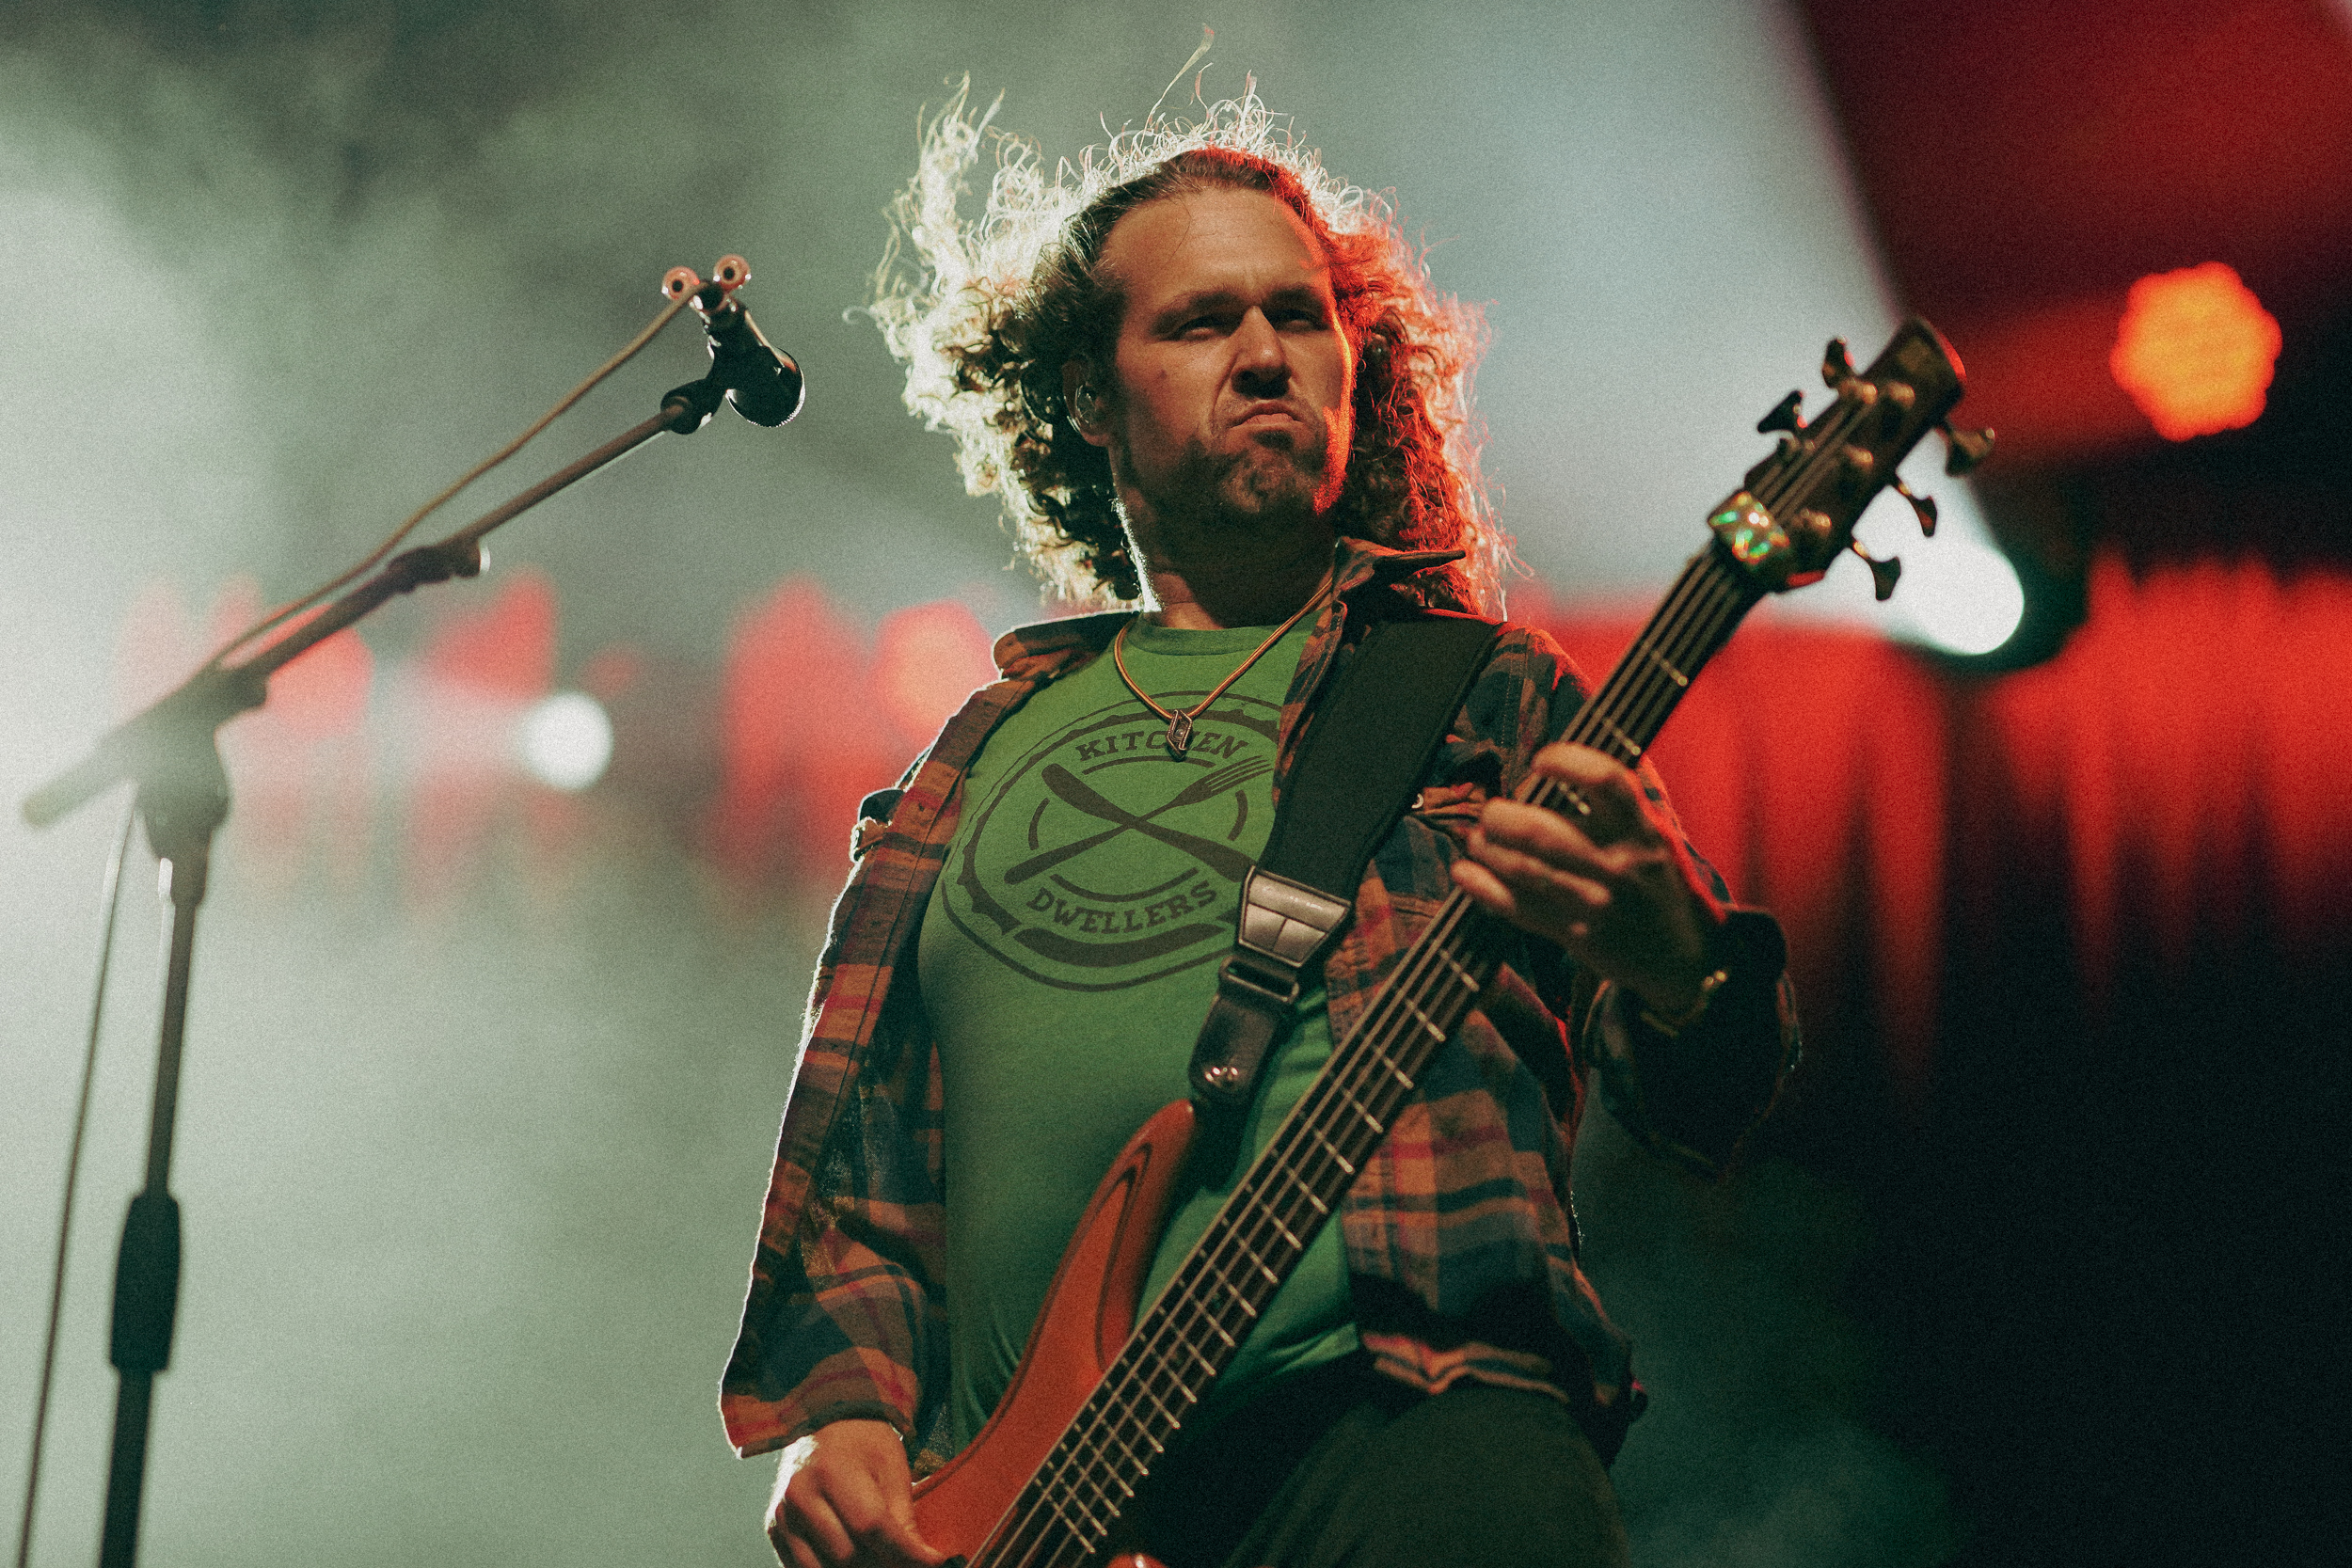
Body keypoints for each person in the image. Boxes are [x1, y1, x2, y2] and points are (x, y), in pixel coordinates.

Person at [722, 90, 1798, 1568]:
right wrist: (843, 1417)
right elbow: (869, 1173)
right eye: (1199, 321)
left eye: (1300, 314)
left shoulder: (1475, 692)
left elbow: (1712, 1101)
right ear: (1085, 397)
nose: (1265, 352)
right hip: (1037, 1518)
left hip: (1409, 1439)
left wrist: (1682, 961)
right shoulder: (964, 762)